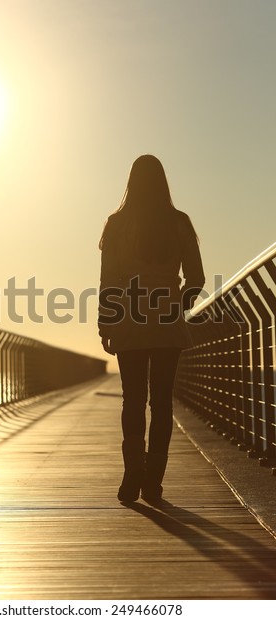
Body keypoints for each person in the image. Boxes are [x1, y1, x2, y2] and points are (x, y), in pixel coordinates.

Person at [98, 154, 205, 505]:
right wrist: (178, 304)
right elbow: (197, 278)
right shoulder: (179, 223)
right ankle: (154, 480)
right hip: (167, 325)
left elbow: (109, 282)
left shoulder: (116, 224)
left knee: (133, 400)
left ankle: (132, 474)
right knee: (161, 402)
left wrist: (106, 324)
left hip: (129, 321)